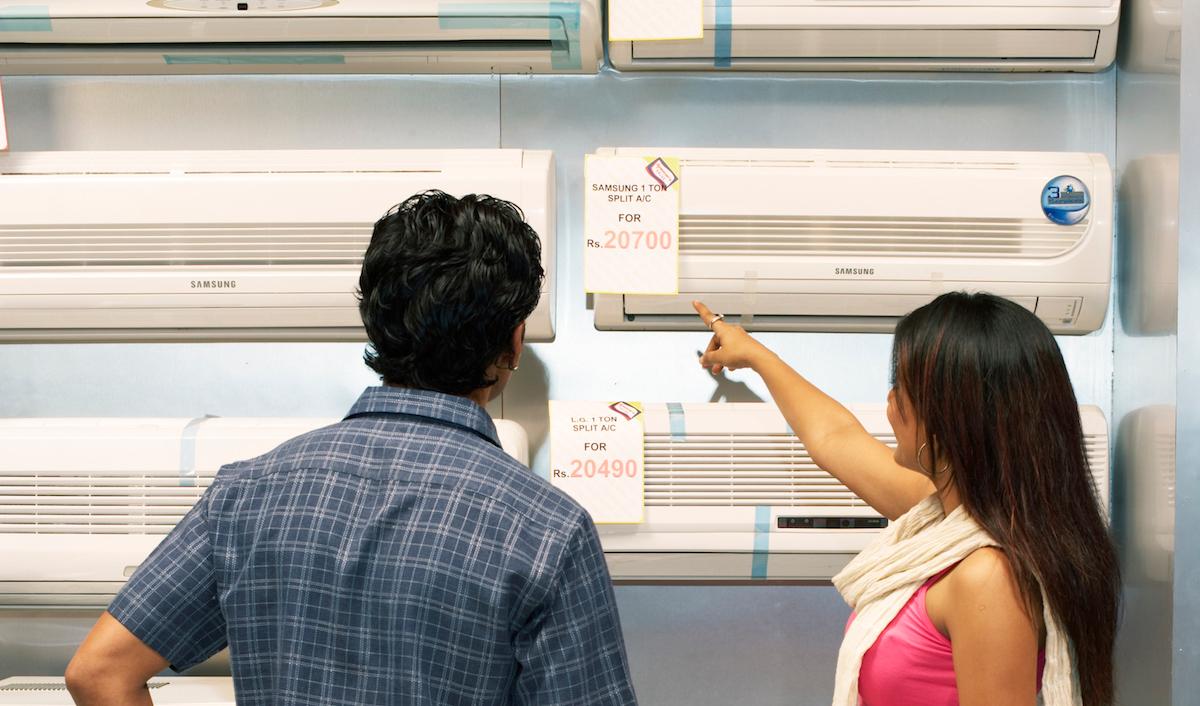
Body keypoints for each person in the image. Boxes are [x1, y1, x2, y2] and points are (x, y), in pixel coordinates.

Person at [65, 191, 639, 706]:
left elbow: (99, 673)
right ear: (514, 343)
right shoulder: (546, 531)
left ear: (376, 324)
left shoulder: (245, 495)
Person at [693, 293, 1118, 706]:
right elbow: (834, 437)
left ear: (954, 417)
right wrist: (755, 355)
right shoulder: (949, 516)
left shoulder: (987, 576)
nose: (891, 400)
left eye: (902, 385)